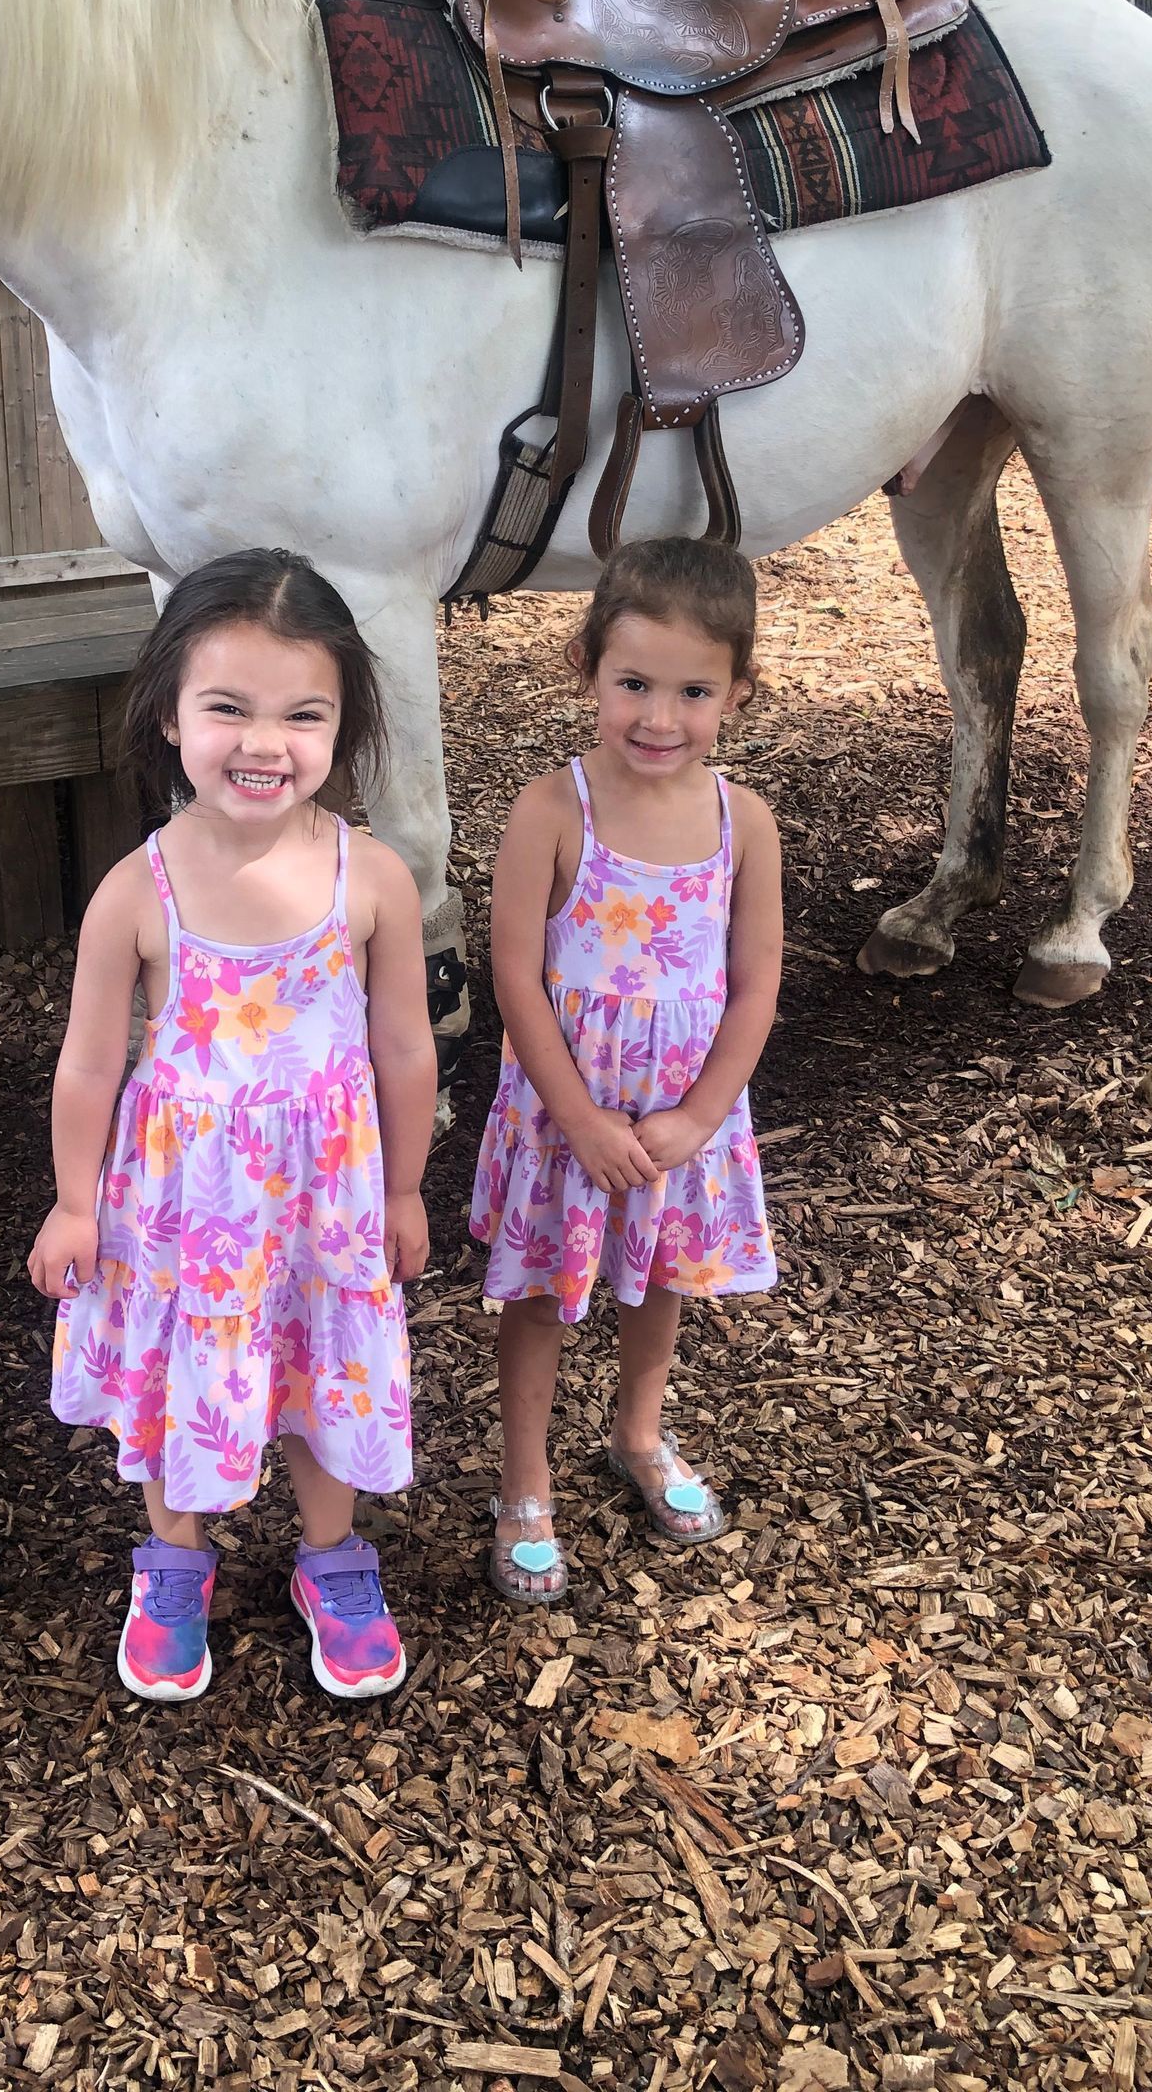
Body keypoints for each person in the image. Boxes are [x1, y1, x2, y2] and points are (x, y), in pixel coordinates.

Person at [28, 550, 436, 1701]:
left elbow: (405, 1047)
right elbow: (92, 1060)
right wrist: (73, 1200)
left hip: (326, 1203)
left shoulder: (373, 880)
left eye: (303, 714)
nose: (266, 743)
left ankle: (331, 1558)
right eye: (229, 708)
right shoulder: (137, 890)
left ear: (343, 722)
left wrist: (404, 1188)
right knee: (184, 1376)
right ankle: (175, 1559)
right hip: (186, 1214)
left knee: (321, 1368)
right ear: (169, 714)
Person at [469, 538, 782, 1603]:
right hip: (571, 1115)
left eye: (694, 690)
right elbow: (514, 978)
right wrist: (584, 1120)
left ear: (738, 689)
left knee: (660, 1280)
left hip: (679, 1122)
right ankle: (525, 1481)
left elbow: (754, 987)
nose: (660, 717)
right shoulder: (553, 812)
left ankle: (639, 1435)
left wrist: (699, 1115)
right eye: (634, 683)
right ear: (588, 667)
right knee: (546, 1294)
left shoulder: (746, 825)